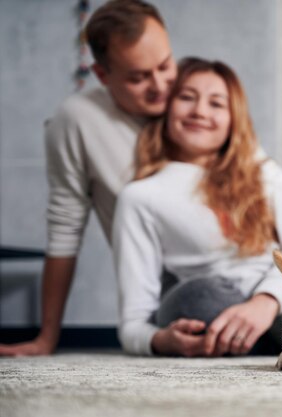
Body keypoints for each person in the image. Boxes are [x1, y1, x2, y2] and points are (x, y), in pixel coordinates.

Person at [112, 57, 282, 356]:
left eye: (217, 103)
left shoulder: (259, 169)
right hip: (226, 309)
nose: (200, 111)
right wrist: (161, 340)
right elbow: (133, 323)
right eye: (187, 98)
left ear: (233, 119)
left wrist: (267, 300)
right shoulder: (140, 197)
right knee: (191, 300)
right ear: (167, 108)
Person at [0, 0, 176, 356]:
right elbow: (65, 228)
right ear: (102, 75)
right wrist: (47, 338)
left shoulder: (194, 93)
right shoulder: (78, 120)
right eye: (139, 77)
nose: (160, 86)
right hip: (172, 294)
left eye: (165, 65)